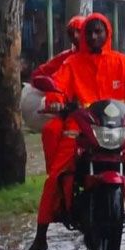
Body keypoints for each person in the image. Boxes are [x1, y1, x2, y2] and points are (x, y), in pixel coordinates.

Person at [18, 13, 125, 250]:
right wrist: (56, 99)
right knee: (57, 176)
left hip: (116, 128)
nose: (94, 36)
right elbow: (58, 86)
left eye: (99, 31)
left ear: (107, 34)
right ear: (84, 36)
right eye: (90, 32)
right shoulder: (72, 63)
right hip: (80, 126)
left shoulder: (120, 62)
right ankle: (41, 239)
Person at [31, 15, 85, 172]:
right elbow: (45, 78)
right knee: (51, 130)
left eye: (79, 31)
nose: (75, 36)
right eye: (71, 33)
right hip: (72, 113)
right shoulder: (66, 59)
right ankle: (56, 177)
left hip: (102, 115)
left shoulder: (114, 60)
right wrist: (56, 100)